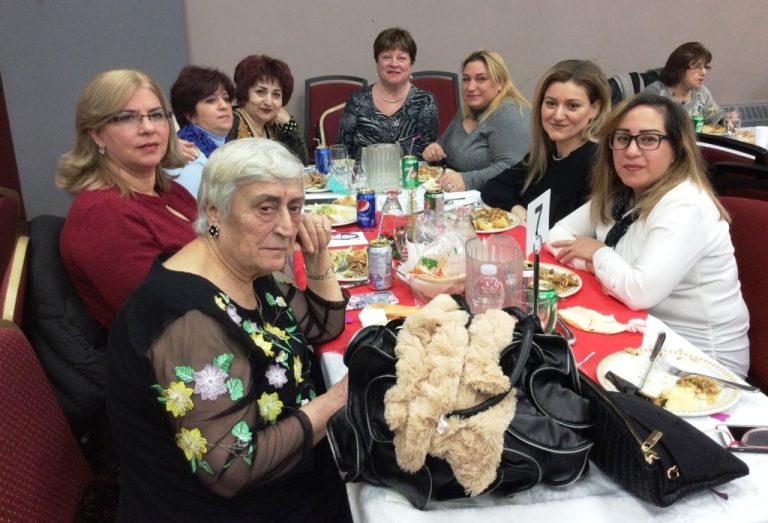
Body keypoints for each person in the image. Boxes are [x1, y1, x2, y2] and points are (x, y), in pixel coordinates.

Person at [107, 138, 352, 521]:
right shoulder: (189, 318)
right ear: (214, 211)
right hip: (228, 510)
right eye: (265, 208)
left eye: (294, 207)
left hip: (287, 476)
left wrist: (317, 254)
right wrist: (339, 398)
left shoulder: (245, 267)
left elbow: (322, 325)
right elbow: (232, 468)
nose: (287, 227)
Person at [548, 92, 749, 377]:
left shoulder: (685, 205)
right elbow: (556, 235)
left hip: (699, 362)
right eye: (622, 138)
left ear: (677, 149)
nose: (631, 151)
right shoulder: (623, 192)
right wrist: (598, 268)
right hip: (636, 330)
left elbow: (640, 292)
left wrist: (597, 253)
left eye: (648, 139)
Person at [57, 69, 198, 329]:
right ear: (96, 134)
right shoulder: (101, 214)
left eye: (156, 115)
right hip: (180, 344)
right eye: (127, 118)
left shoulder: (171, 191)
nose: (148, 128)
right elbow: (161, 315)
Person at [481, 60, 610, 224]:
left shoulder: (598, 164)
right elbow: (493, 187)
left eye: (572, 106)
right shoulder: (544, 156)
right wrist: (517, 209)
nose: (558, 115)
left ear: (594, 109)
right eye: (551, 103)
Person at [422, 49, 531, 192]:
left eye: (481, 79)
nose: (470, 87)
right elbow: (443, 144)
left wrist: (467, 180)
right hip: (453, 194)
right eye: (466, 79)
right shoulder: (468, 109)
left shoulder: (510, 113)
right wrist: (434, 150)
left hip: (492, 200)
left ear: (500, 83)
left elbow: (512, 167)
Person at [337, 27, 438, 160]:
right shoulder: (357, 100)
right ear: (377, 62)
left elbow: (428, 153)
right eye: (386, 57)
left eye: (401, 58)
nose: (394, 64)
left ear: (411, 63)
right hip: (364, 172)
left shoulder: (425, 100)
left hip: (410, 173)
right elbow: (341, 151)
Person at [228, 54, 308, 164]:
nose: (269, 102)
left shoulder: (274, 126)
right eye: (260, 92)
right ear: (244, 92)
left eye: (276, 94)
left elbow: (300, 164)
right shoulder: (231, 121)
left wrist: (289, 124)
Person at [169, 65, 235, 197]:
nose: (223, 106)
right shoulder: (187, 156)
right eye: (211, 100)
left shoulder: (229, 147)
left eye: (226, 99)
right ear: (190, 115)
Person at [645, 42, 723, 125]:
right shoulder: (655, 93)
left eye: (705, 67)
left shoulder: (701, 92)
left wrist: (725, 120)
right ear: (679, 69)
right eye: (697, 67)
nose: (704, 72)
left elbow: (716, 118)